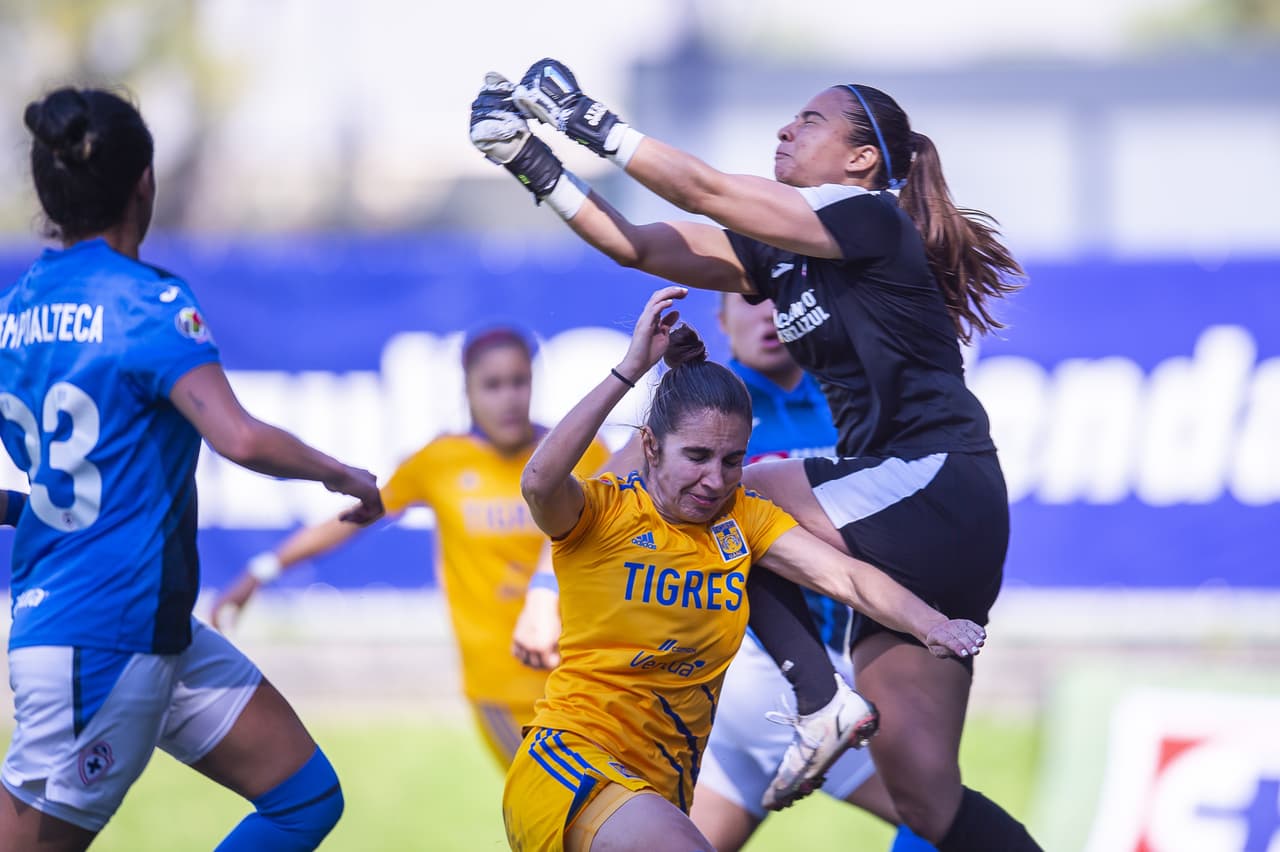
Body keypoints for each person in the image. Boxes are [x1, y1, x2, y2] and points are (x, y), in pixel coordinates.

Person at [470, 61, 1039, 850]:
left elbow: (703, 189)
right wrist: (531, 163)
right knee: (929, 800)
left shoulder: (867, 216)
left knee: (725, 496)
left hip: (935, 478)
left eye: (809, 121)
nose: (784, 130)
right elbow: (636, 246)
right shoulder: (780, 256)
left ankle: (816, 697)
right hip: (924, 527)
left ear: (861, 159)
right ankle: (829, 706)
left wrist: (585, 118)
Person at [0, 87, 383, 851]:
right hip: (102, 633)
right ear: (144, 180)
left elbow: (68, 462)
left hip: (149, 626)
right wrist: (341, 473)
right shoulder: (147, 302)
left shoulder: (17, 307)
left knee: (304, 797)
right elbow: (237, 437)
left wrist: (32, 507)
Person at [502, 285, 985, 852]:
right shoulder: (604, 511)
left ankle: (823, 702)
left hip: (662, 784)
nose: (715, 479)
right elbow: (539, 482)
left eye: (733, 461)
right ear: (651, 447)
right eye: (698, 458)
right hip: (574, 766)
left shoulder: (743, 519)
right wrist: (631, 368)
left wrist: (931, 625)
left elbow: (845, 577)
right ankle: (823, 704)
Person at [211, 324, 610, 768]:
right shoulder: (439, 462)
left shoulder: (584, 453)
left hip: (587, 677)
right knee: (566, 816)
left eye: (519, 381)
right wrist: (260, 571)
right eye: (493, 385)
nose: (509, 398)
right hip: (503, 689)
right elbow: (352, 520)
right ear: (467, 389)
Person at [691, 293, 933, 851]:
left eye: (782, 301)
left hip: (830, 663)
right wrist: (542, 592)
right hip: (756, 670)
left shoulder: (851, 404)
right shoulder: (701, 407)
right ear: (722, 318)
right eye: (749, 300)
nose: (769, 314)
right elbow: (589, 495)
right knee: (935, 816)